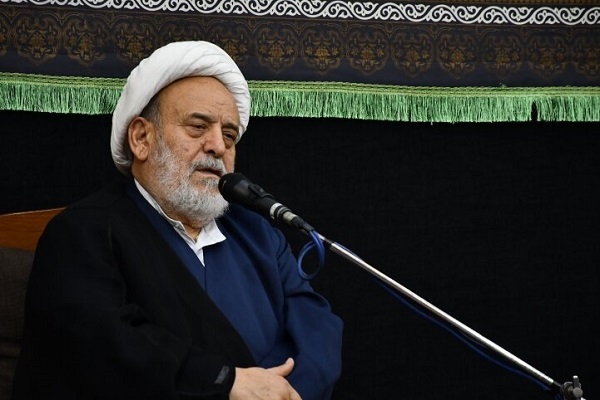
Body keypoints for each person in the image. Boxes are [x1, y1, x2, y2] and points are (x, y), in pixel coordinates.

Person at [11, 41, 343, 400]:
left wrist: (286, 393)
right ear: (141, 138)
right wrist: (227, 384)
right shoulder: (82, 233)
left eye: (229, 135)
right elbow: (103, 347)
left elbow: (317, 331)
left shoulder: (259, 235)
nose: (218, 146)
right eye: (198, 127)